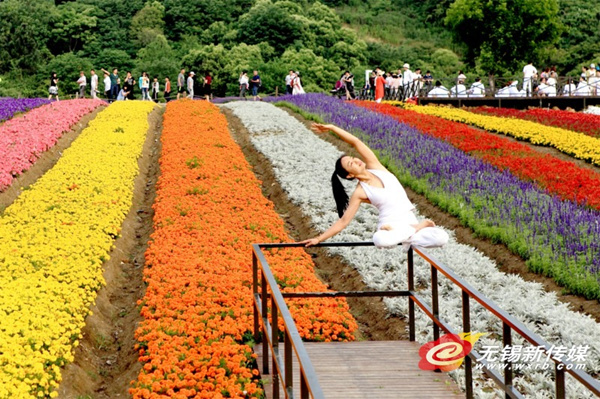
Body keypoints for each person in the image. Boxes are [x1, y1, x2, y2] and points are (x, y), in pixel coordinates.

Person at [300, 123, 449, 250]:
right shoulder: (360, 192)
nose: (356, 160)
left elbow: (356, 142)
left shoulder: (375, 166)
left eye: (353, 158)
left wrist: (332, 127)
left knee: (442, 237)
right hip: (389, 226)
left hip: (408, 222)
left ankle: (409, 233)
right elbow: (343, 222)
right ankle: (413, 231)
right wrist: (318, 239)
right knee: (379, 240)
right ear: (350, 175)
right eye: (351, 164)